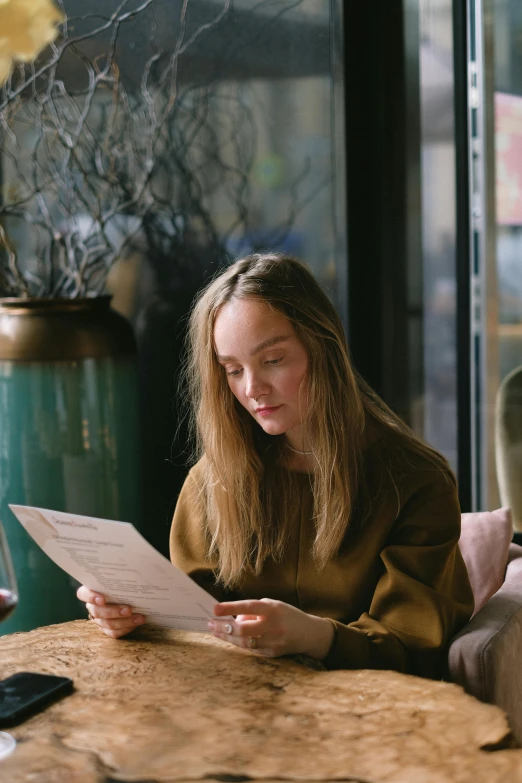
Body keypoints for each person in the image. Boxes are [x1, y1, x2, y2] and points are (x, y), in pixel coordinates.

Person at [78, 253, 473, 678]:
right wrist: (133, 615)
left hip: (371, 715)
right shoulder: (215, 480)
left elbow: (416, 647)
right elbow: (193, 619)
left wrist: (315, 636)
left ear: (322, 347)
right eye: (232, 369)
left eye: (273, 360)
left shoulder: (416, 482)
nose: (252, 389)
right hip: (236, 705)